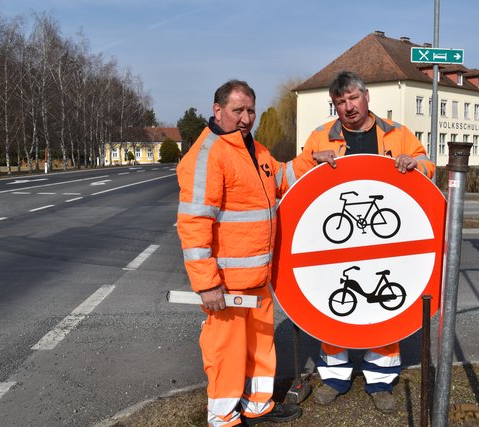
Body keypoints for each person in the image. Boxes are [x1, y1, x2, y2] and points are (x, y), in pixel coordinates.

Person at [176, 79, 332, 426]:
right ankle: (222, 415)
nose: (246, 117)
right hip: (227, 283)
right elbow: (194, 223)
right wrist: (207, 284)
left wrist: (311, 159)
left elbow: (281, 176)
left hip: (259, 277)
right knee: (226, 351)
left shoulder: (255, 150)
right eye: (238, 110)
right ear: (217, 111)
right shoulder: (208, 154)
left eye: (250, 110)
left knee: (261, 345)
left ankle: (257, 405)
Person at [290, 71, 435, 413]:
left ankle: (381, 381)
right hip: (334, 244)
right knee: (334, 305)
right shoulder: (320, 136)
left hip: (388, 240)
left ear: (366, 97)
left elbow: (428, 166)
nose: (348, 107)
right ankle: (335, 378)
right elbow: (294, 178)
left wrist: (415, 164)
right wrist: (312, 160)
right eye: (340, 102)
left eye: (353, 98)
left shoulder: (397, 134)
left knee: (384, 309)